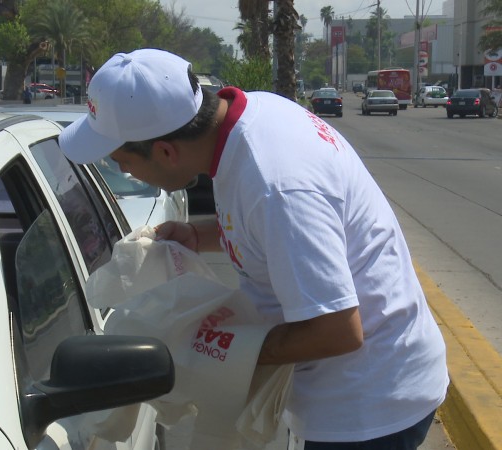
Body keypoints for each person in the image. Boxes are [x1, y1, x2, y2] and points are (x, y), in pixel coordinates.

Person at [58, 48, 448, 449]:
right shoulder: (252, 117)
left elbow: (338, 332)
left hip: (367, 409)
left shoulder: (275, 185)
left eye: (121, 162)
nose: (124, 172)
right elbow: (269, 229)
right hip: (360, 386)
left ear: (166, 151)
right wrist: (200, 236)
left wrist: (223, 351)